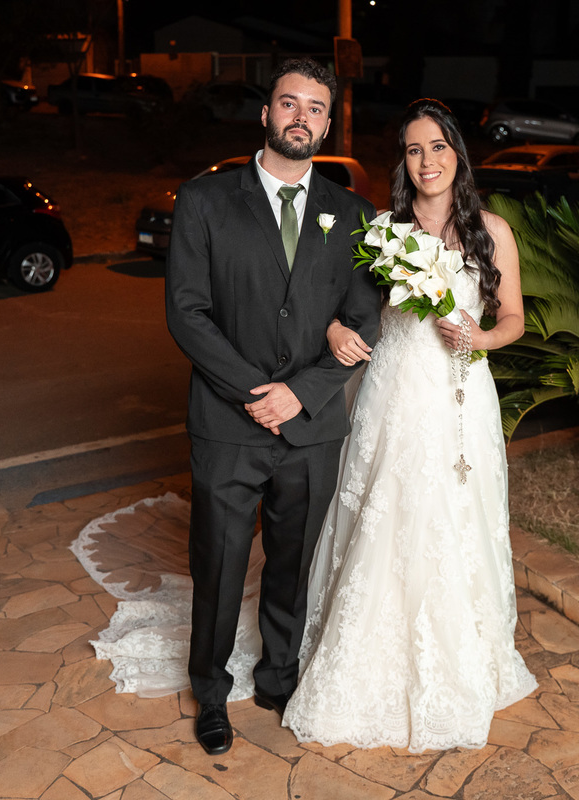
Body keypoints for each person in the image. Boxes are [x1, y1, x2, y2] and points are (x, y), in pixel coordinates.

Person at [281, 98, 538, 752]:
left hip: (459, 395)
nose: (427, 161)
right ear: (403, 160)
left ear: (458, 154)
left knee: (457, 518)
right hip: (392, 392)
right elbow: (333, 307)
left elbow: (516, 318)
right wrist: (337, 328)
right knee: (387, 515)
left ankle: (465, 656)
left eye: (439, 148)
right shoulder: (378, 230)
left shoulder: (493, 230)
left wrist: (483, 336)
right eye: (415, 150)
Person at [164, 58, 382, 755]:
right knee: (220, 561)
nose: (301, 118)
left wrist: (302, 392)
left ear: (327, 121)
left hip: (313, 424)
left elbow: (363, 320)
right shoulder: (205, 200)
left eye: (315, 108)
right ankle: (210, 692)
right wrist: (258, 394)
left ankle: (278, 675)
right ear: (265, 114)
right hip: (229, 422)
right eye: (289, 104)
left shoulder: (353, 215)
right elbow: (188, 313)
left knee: (293, 560)